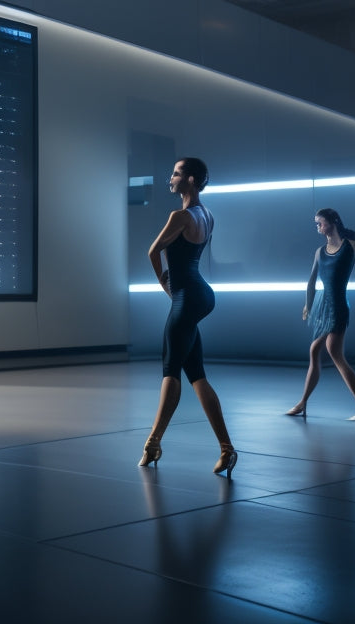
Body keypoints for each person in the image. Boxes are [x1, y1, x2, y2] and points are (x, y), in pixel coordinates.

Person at [138, 158, 237, 478]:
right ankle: (227, 449)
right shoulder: (206, 215)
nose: (171, 177)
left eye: (176, 173)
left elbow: (154, 251)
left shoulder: (180, 216)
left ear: (191, 180)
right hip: (201, 295)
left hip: (188, 297)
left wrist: (166, 286)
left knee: (170, 371)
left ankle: (153, 443)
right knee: (196, 374)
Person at [286, 208, 355, 420]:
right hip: (322, 305)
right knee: (322, 352)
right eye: (317, 223)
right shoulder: (320, 251)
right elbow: (311, 282)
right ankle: (304, 403)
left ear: (333, 221)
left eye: (320, 223)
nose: (318, 227)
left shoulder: (350, 246)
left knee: (328, 353)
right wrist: (307, 305)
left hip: (339, 305)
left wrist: (342, 229)